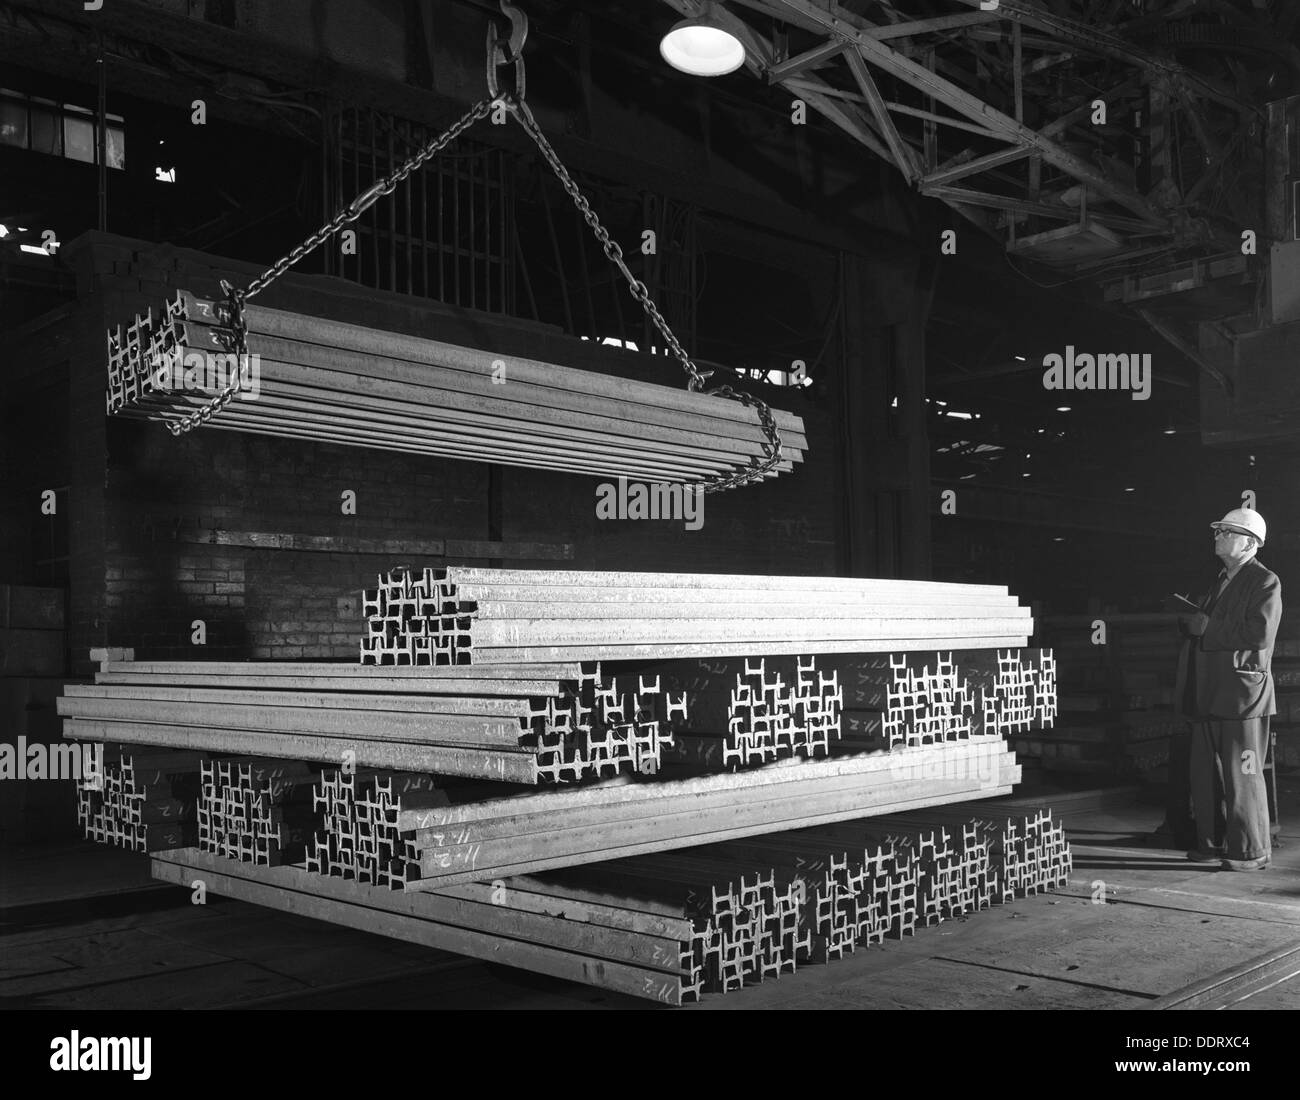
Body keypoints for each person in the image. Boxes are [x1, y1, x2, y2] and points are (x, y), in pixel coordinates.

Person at [1173, 507, 1280, 871]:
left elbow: (1260, 634)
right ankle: (1212, 842)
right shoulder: (1221, 579)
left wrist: (1208, 628)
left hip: (1240, 697)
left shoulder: (1265, 582)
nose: (1217, 536)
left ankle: (1249, 850)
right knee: (1205, 776)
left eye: (1226, 532)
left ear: (1249, 542)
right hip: (1207, 692)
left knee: (1242, 775)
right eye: (1218, 531)